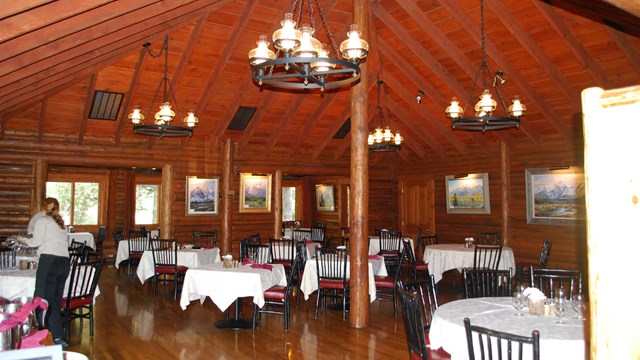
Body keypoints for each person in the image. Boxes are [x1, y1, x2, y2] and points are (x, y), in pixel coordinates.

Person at [25, 197, 70, 348]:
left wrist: (21, 240)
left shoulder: (42, 221)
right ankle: (57, 335)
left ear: (43, 207)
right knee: (55, 300)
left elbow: (35, 242)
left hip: (49, 262)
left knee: (42, 298)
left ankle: (48, 335)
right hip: (64, 263)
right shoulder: (60, 224)